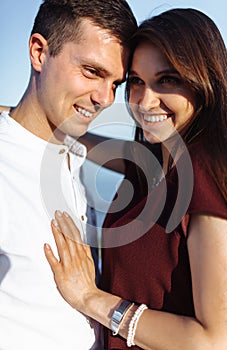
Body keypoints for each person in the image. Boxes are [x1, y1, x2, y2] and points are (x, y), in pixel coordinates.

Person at [44, 8, 227, 350]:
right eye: (136, 82)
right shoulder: (152, 162)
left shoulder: (205, 174)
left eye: (168, 80)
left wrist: (90, 298)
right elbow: (98, 146)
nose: (145, 101)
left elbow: (216, 340)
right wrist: (23, 118)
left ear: (204, 82)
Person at [0, 0, 137, 349]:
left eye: (116, 83)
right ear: (39, 52)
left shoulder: (76, 155)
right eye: (92, 71)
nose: (105, 98)